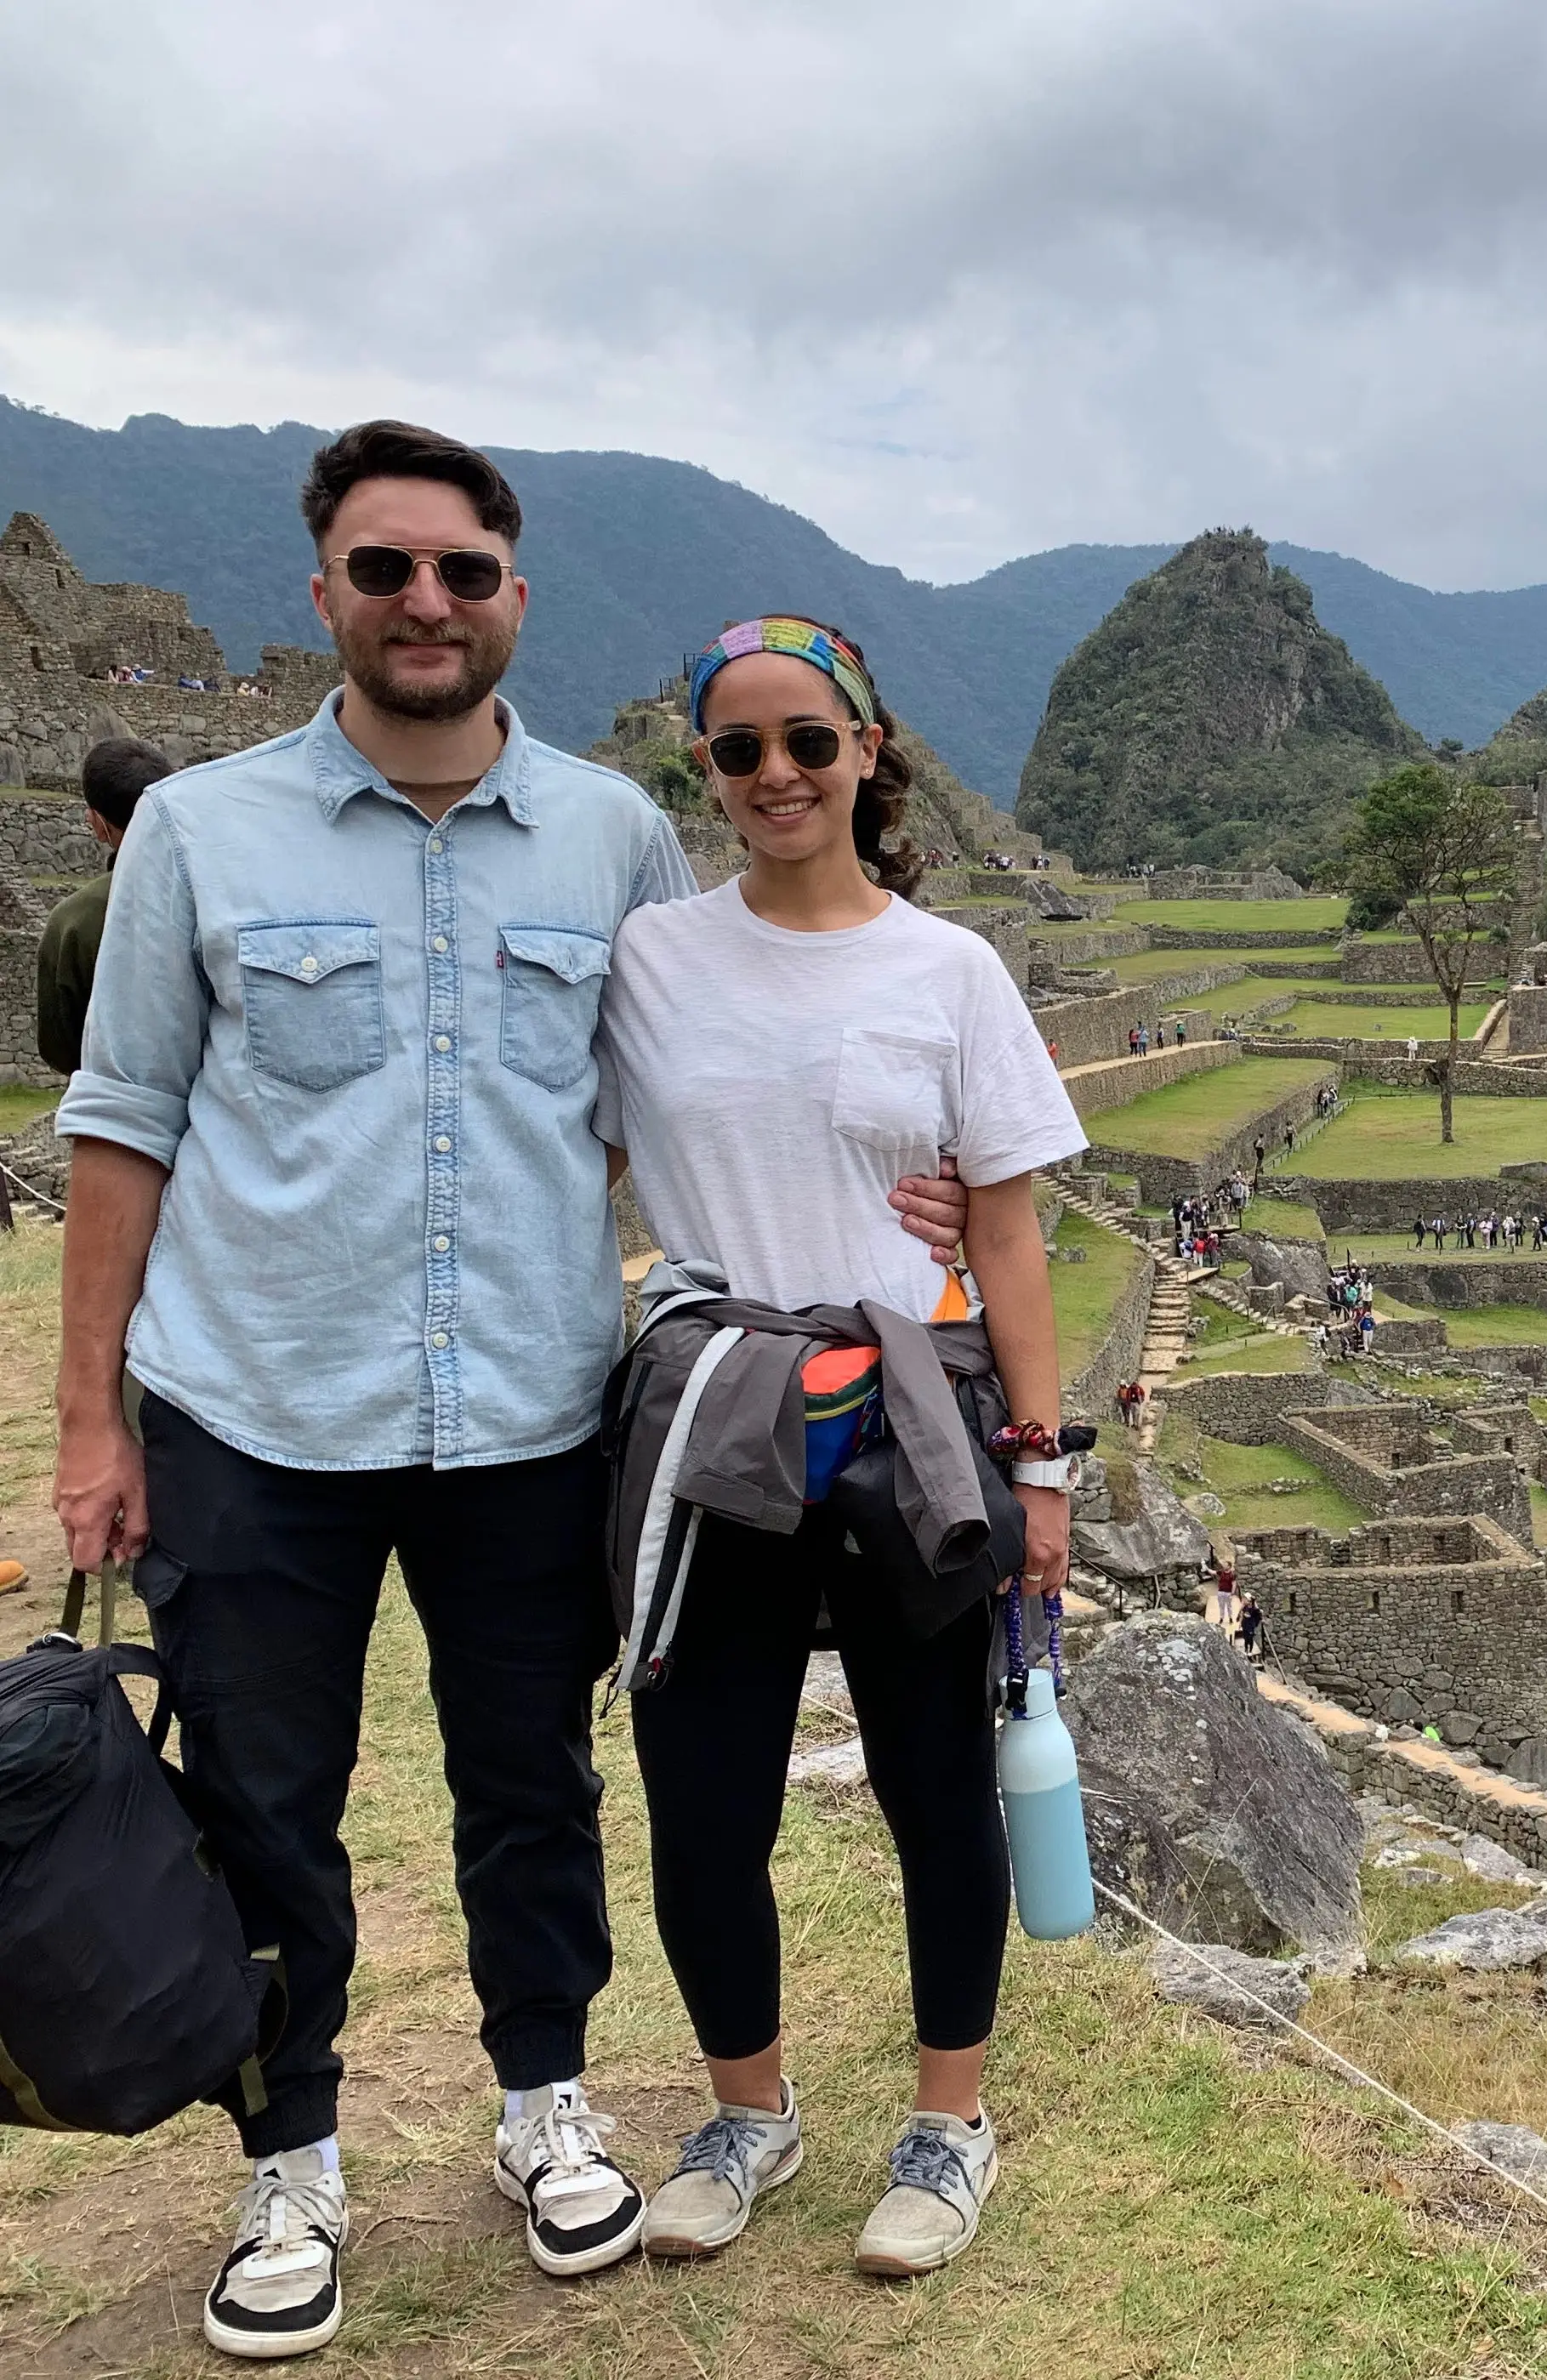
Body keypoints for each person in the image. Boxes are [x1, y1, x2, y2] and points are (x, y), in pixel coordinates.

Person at [51, 425, 970, 2360]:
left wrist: (924, 1169)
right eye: (385, 569)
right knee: (267, 1795)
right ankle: (289, 2150)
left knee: (531, 1780)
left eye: (462, 572)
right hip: (255, 1407)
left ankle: (544, 2098)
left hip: (530, 1411)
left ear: (512, 598)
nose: (425, 603)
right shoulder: (209, 833)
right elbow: (122, 1128)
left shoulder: (607, 835)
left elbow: (701, 1084)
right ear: (327, 592)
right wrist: (87, 1418)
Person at [595, 615, 1087, 2280]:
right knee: (701, 1796)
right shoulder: (650, 960)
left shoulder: (948, 971)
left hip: (912, 1410)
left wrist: (1042, 1467)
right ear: (704, 771)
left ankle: (949, 2122)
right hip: (721, 1408)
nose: (778, 774)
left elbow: (1009, 1237)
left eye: (810, 739)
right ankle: (748, 2110)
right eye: (739, 749)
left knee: (934, 1780)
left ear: (869, 748)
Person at [34, 736, 174, 1075]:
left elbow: (61, 1049)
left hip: (117, 1107)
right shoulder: (224, 891)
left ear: (98, 823)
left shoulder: (75, 921)